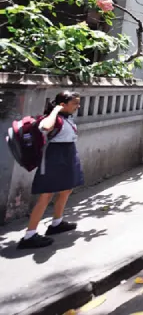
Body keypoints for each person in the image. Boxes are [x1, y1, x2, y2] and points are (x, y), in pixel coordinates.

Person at [18, 91, 84, 249]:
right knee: (46, 195)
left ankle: (56, 223)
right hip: (53, 158)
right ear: (63, 105)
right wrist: (55, 110)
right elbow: (45, 127)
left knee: (66, 190)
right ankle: (29, 236)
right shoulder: (54, 119)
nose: (78, 106)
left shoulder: (67, 118)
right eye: (75, 103)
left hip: (68, 154)